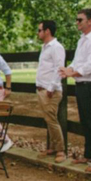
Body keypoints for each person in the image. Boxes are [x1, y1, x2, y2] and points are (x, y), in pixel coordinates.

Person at [59, 8, 91, 173]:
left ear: (90, 21)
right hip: (80, 85)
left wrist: (71, 72)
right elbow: (77, 61)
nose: (77, 22)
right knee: (85, 121)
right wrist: (68, 69)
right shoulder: (82, 40)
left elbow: (89, 66)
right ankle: (88, 154)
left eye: (80, 20)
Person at [35, 20, 66, 163]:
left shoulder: (56, 47)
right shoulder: (45, 47)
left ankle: (61, 150)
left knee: (52, 120)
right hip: (42, 89)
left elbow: (59, 68)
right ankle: (53, 147)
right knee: (48, 119)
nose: (38, 32)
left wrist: (51, 88)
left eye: (40, 30)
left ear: (47, 31)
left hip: (50, 91)